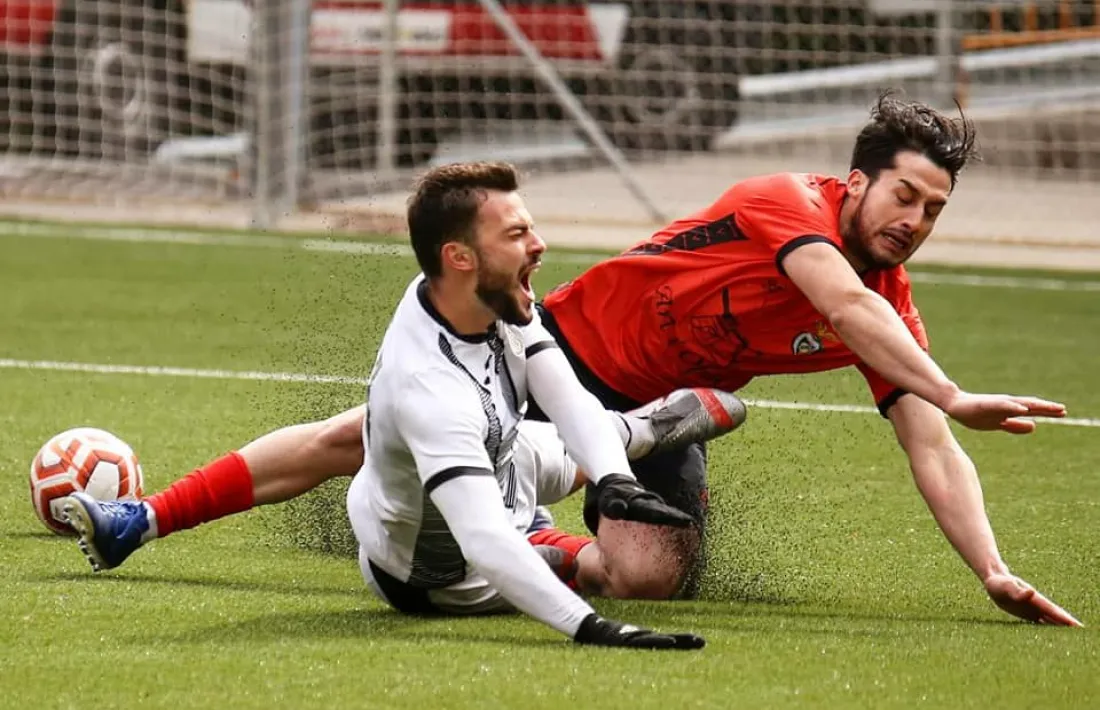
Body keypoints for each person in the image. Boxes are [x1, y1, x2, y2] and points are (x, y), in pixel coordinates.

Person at [66, 91, 1082, 627]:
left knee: (641, 577)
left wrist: (990, 566)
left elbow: (930, 446)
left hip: (659, 406)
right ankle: (141, 517)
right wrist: (947, 386)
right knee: (357, 432)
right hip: (560, 349)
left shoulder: (887, 308)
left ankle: (543, 517)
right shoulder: (788, 202)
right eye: (902, 196)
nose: (914, 221)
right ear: (854, 182)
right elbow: (839, 299)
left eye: (934, 210)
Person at [62, 161, 748, 648]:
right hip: (440, 572)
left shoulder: (491, 293)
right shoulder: (431, 386)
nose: (538, 244)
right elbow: (483, 542)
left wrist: (617, 482)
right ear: (458, 256)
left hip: (492, 456)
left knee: (362, 431)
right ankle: (575, 522)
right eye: (517, 234)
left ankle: (629, 436)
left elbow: (557, 388)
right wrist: (589, 626)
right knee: (624, 575)